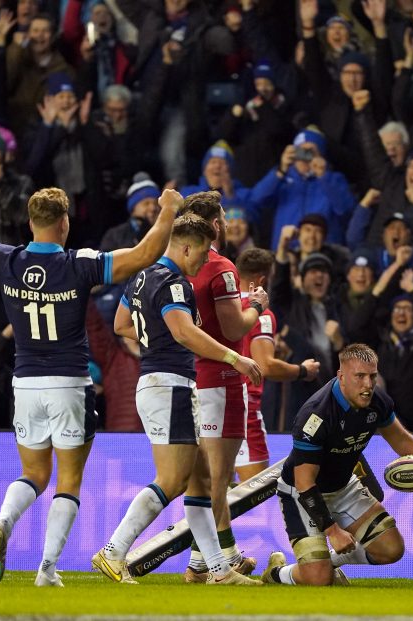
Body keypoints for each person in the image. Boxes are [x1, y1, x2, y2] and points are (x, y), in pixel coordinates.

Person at [0, 181, 178, 586]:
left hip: (25, 384)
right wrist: (169, 209)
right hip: (70, 382)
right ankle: (46, 570)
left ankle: (2, 522)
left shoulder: (6, 260)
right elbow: (145, 254)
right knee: (67, 481)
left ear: (31, 223)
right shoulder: (79, 264)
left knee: (34, 473)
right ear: (64, 223)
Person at [92, 213, 263, 586]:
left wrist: (153, 344)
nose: (203, 262)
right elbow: (184, 332)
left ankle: (219, 571)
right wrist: (235, 357)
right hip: (171, 386)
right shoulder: (174, 284)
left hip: (156, 382)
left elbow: (122, 324)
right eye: (200, 255)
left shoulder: (140, 278)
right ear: (185, 246)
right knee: (171, 480)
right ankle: (113, 551)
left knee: (200, 481)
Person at [261, 344, 413, 586]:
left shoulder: (377, 400)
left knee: (392, 549)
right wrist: (333, 531)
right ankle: (276, 573)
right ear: (341, 376)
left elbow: (400, 438)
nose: (368, 385)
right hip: (302, 493)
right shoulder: (315, 416)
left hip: (343, 486)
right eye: (360, 376)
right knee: (318, 579)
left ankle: (330, 562)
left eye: (372, 376)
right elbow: (305, 482)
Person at [178, 191, 270, 582]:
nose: (228, 225)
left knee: (203, 477)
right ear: (215, 224)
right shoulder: (219, 266)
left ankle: (201, 563)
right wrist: (258, 306)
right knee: (217, 479)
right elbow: (234, 328)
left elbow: (124, 325)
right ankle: (223, 560)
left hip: (183, 379)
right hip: (222, 379)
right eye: (224, 219)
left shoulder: (171, 265)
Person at [234, 247, 320, 481]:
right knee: (256, 488)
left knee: (214, 487)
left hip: (209, 401)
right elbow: (266, 366)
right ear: (262, 280)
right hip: (242, 407)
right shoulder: (260, 313)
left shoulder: (221, 305)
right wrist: (303, 370)